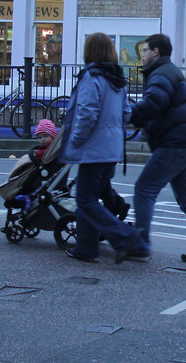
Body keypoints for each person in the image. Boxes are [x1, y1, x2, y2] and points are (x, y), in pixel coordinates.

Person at [130, 33, 186, 265]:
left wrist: (130, 113)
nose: (143, 55)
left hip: (174, 144)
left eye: (145, 51)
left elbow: (153, 104)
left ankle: (140, 245)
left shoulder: (160, 74)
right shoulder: (168, 71)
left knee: (144, 189)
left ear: (155, 52)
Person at [57, 32, 140, 264]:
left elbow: (86, 113)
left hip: (93, 148)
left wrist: (75, 141)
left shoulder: (91, 77)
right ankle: (86, 248)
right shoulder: (118, 79)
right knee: (90, 197)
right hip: (112, 148)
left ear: (89, 51)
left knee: (85, 199)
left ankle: (125, 236)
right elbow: (126, 113)